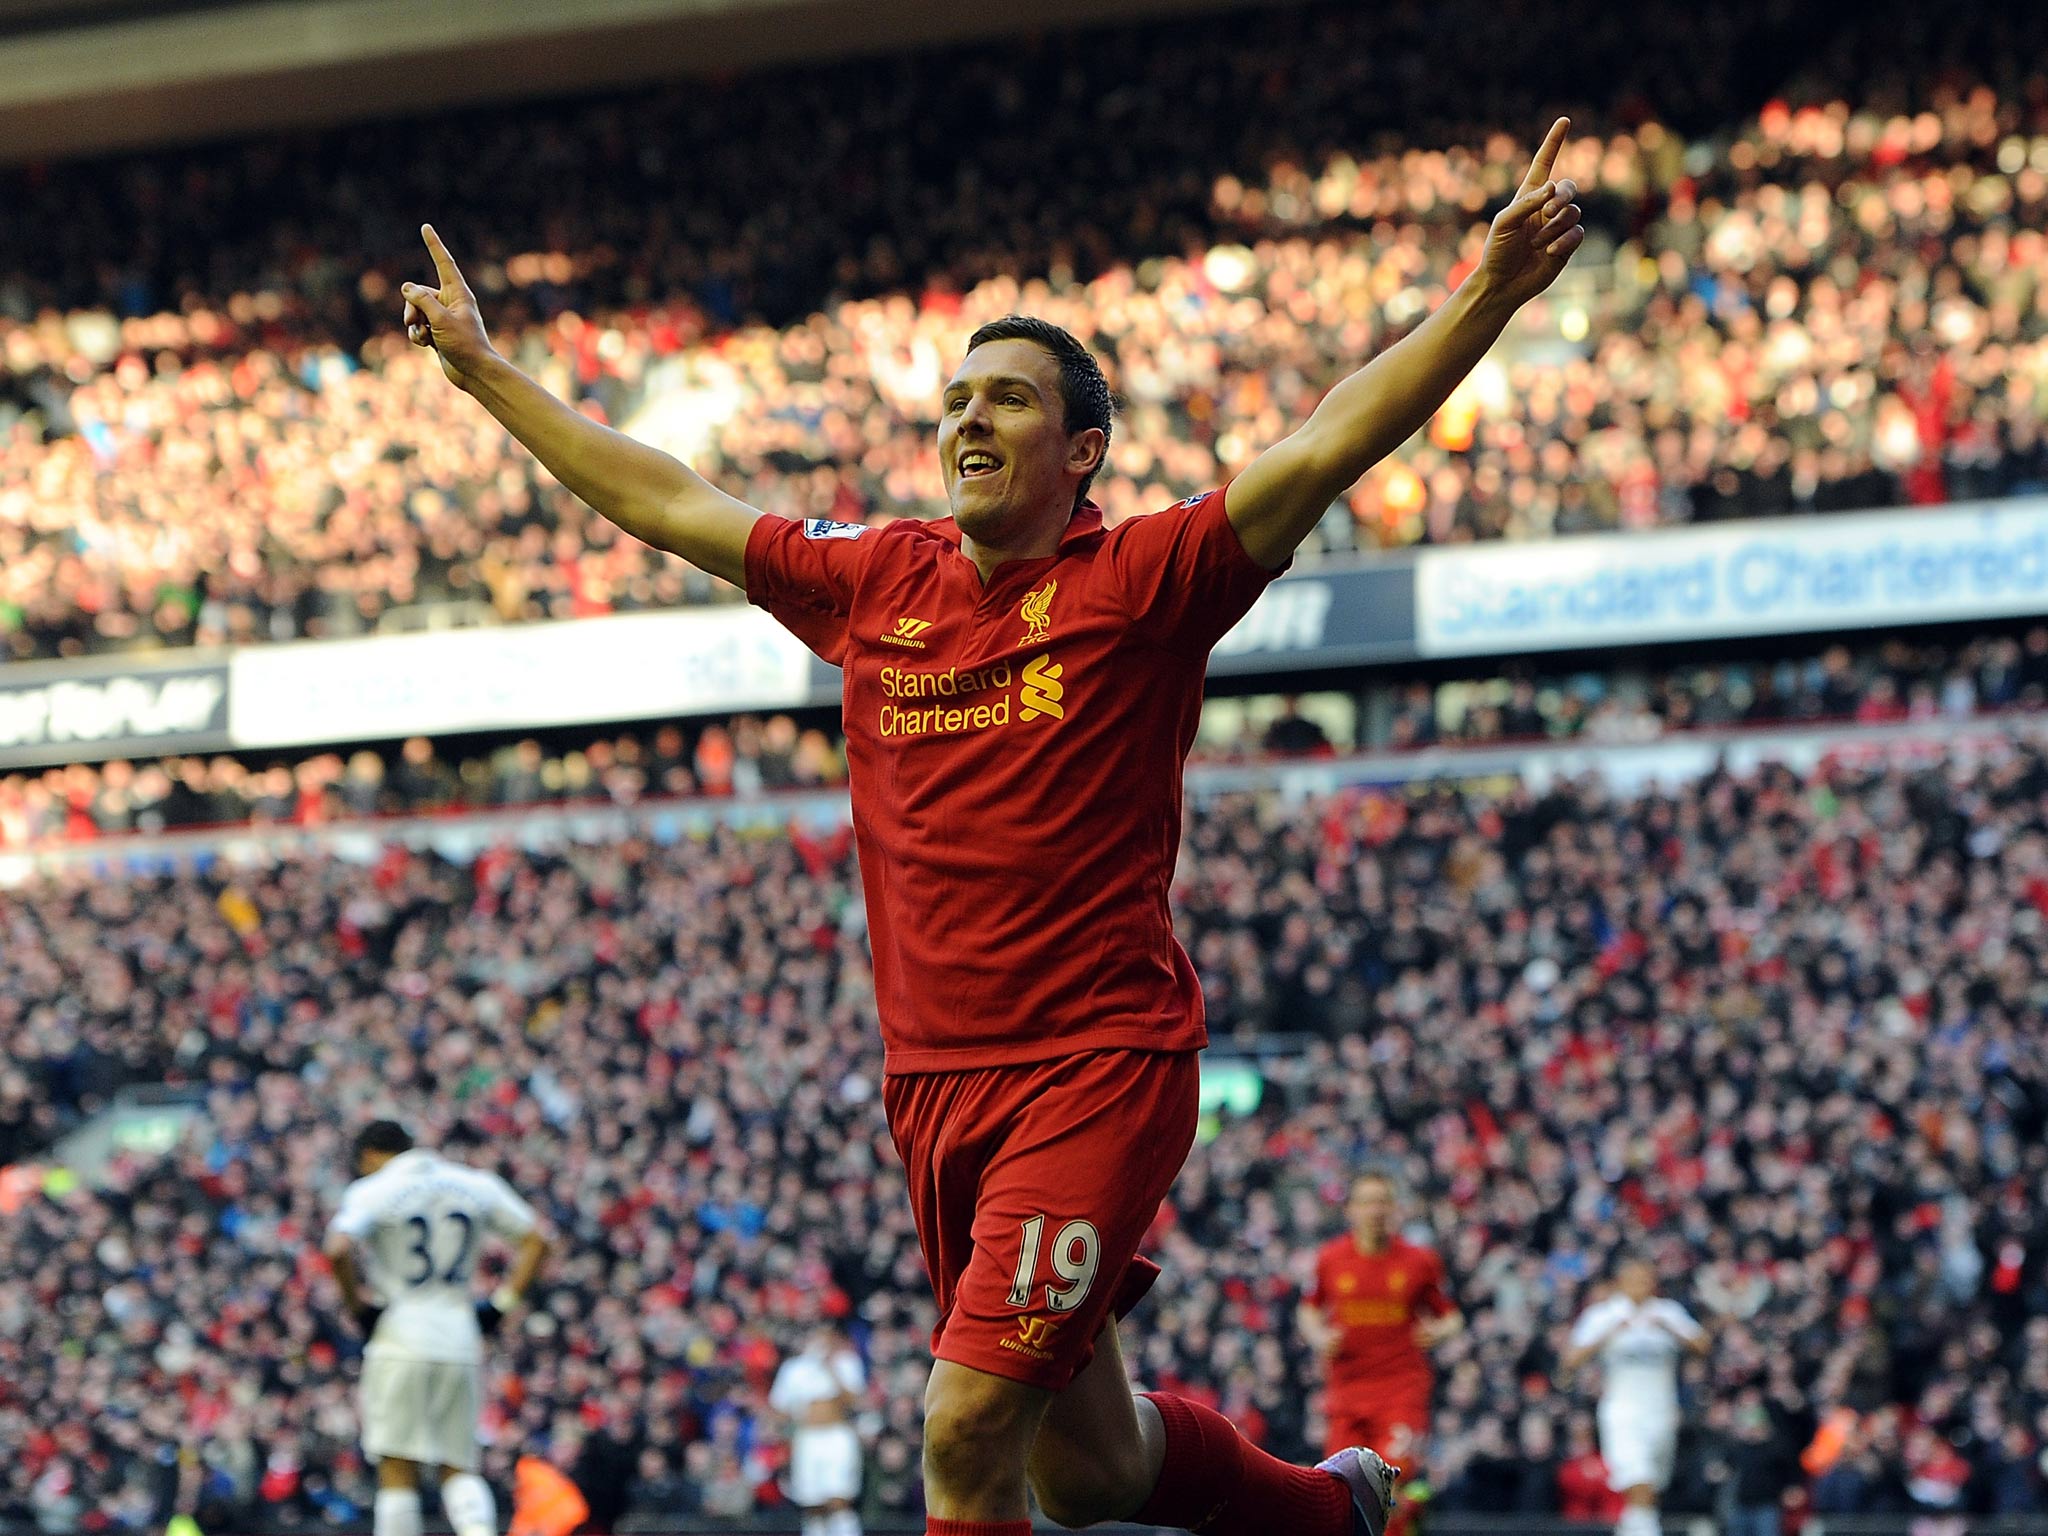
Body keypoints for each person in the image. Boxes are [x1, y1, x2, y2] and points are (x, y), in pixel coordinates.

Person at [399, 117, 1584, 1536]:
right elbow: (665, 497)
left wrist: (1488, 294)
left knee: (961, 1431)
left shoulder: (1145, 579)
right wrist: (483, 373)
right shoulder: (874, 584)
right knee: (1079, 1472)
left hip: (1094, 1066)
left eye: (1009, 401)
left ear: (1082, 452)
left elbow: (1330, 439)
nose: (968, 420)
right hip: (933, 1088)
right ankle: (1333, 1517)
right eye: (957, 400)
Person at [324, 1122, 553, 1536]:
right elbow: (538, 1239)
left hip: (400, 1334)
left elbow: (337, 1248)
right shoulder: (474, 1184)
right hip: (459, 1333)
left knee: (396, 1465)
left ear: (370, 1155)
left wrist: (358, 1307)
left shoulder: (373, 1190)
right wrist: (501, 1306)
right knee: (459, 1464)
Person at [1299, 1173, 1463, 1535]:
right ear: (1350, 1210)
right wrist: (1316, 1333)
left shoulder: (1419, 1262)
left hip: (1400, 1389)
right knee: (1337, 1489)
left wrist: (1438, 1331)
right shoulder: (1331, 1259)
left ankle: (1410, 1514)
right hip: (1346, 1393)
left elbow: (1452, 1316)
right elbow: (1309, 1308)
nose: (1376, 1210)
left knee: (1390, 1483)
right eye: (1367, 1201)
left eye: (1383, 1201)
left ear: (1395, 1209)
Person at [1561, 1257, 1710, 1536]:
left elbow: (1703, 1345)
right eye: (1635, 1280)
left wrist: (1671, 1329)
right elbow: (1571, 1359)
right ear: (1620, 1282)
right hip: (1622, 1409)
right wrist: (1608, 1334)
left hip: (1662, 1409)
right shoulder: (1604, 1315)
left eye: (1646, 1279)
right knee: (1637, 1474)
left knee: (1651, 1482)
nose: (1641, 1286)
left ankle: (1633, 1530)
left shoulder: (1667, 1312)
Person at [770, 1326, 870, 1536]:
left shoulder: (846, 1362)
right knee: (811, 1502)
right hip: (807, 1439)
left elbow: (854, 1400)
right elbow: (779, 1408)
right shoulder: (793, 1368)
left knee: (839, 1498)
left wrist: (831, 1368)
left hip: (837, 1437)